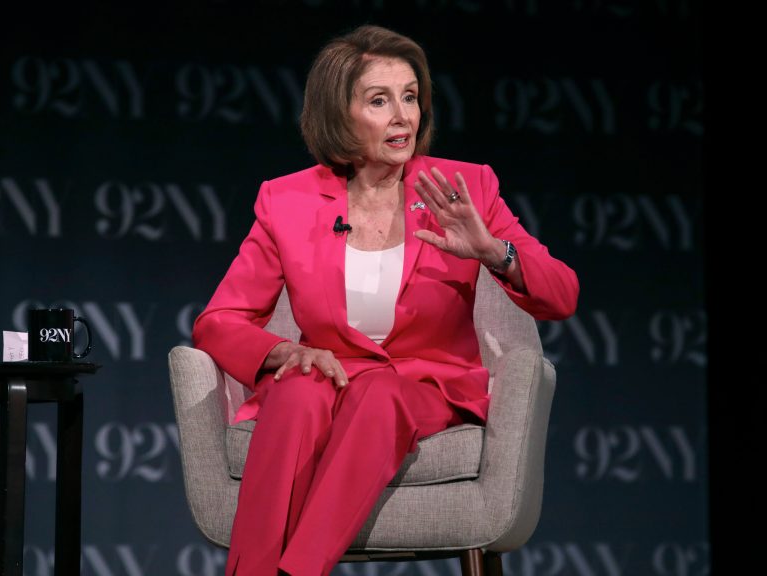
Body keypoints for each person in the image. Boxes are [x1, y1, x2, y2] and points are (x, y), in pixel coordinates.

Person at [192, 24, 579, 576]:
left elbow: (563, 293)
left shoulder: (463, 187)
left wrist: (494, 251)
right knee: (297, 392)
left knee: (380, 393)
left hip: (423, 387)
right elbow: (218, 321)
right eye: (380, 100)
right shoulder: (289, 201)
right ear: (339, 114)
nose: (403, 115)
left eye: (411, 96)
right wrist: (284, 353)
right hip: (328, 378)